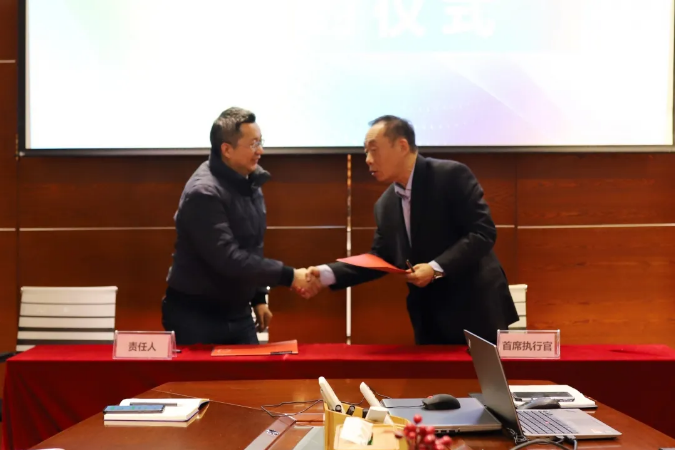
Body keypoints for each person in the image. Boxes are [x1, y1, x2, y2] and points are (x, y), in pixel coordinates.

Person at [309, 115, 518, 345]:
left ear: (402, 146)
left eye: (374, 150)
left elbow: (482, 233)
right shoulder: (385, 205)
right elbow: (379, 259)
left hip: (476, 311)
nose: (368, 160)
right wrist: (326, 274)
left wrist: (435, 269)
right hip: (429, 320)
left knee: (483, 371)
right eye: (366, 152)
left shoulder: (451, 176)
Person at [162, 107, 319, 345]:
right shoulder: (203, 193)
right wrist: (289, 276)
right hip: (196, 316)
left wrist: (258, 298)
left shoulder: (249, 180)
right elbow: (228, 258)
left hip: (238, 312)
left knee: (251, 370)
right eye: (253, 144)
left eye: (261, 141)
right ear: (227, 149)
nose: (260, 150)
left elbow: (252, 245)